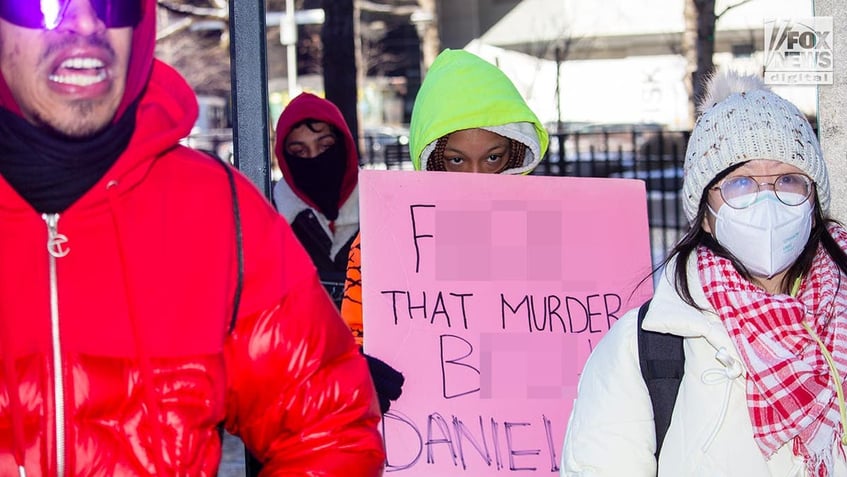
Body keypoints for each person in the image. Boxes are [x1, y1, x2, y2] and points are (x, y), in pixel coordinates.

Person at [0, 0, 384, 475]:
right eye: (42, 4)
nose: (86, 21)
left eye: (114, 4)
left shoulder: (217, 210)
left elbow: (330, 428)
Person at [561, 71, 847, 476]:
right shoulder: (643, 348)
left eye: (788, 179)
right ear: (706, 213)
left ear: (814, 199)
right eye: (740, 183)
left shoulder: (842, 321)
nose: (767, 201)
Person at [341, 48, 549, 412]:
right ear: (432, 159)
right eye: (456, 160)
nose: (475, 177)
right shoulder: (382, 243)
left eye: (493, 157)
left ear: (516, 154)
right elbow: (350, 339)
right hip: (430, 441)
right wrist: (357, 368)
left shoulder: (554, 232)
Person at [272, 92, 360, 308]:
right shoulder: (271, 221)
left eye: (326, 146)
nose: (314, 159)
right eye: (299, 152)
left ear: (344, 145)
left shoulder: (384, 209)